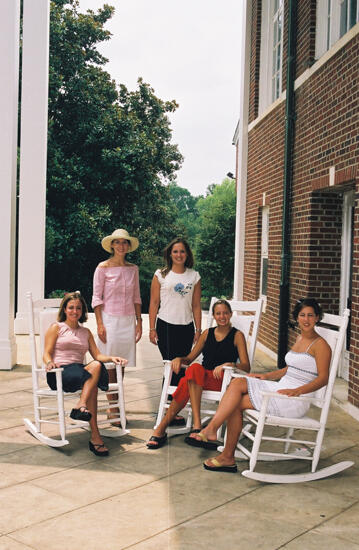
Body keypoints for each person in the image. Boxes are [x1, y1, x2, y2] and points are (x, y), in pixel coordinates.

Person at [187, 298, 332, 473]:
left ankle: (224, 451)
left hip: (294, 399)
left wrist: (298, 390)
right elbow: (289, 369)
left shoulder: (321, 345)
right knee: (238, 382)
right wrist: (266, 376)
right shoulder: (300, 339)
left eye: (310, 315)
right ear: (297, 318)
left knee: (235, 404)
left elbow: (323, 378)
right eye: (302, 315)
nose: (306, 319)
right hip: (280, 389)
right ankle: (214, 433)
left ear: (317, 318)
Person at [147, 299, 250, 449]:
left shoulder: (237, 335)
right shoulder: (207, 333)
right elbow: (189, 358)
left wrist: (230, 364)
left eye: (225, 313)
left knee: (187, 379)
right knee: (194, 369)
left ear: (230, 314)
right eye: (218, 313)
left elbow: (246, 366)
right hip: (201, 377)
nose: (222, 317)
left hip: (221, 378)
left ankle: (161, 429)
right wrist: (179, 358)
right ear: (214, 315)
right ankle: (197, 425)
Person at [44, 291, 128, 457]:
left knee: (95, 370)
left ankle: (86, 417)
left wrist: (112, 357)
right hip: (60, 372)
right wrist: (49, 363)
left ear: (82, 311)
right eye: (71, 308)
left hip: (79, 372)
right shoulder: (56, 328)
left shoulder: (86, 332)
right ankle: (93, 432)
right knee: (92, 381)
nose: (74, 311)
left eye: (78, 308)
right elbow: (46, 352)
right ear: (65, 309)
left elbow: (98, 356)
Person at [148, 237, 202, 426]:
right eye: (175, 251)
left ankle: (173, 410)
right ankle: (167, 409)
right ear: (169, 254)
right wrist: (152, 327)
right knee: (171, 367)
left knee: (182, 368)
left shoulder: (194, 276)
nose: (179, 255)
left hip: (186, 326)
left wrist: (198, 329)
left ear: (187, 254)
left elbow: (196, 305)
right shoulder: (161, 275)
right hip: (166, 325)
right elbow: (154, 302)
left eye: (182, 251)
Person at [92, 228, 142, 425]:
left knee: (121, 366)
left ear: (128, 246)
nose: (121, 246)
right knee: (110, 365)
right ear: (112, 245)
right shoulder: (102, 268)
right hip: (109, 320)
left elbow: (137, 297)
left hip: (128, 321)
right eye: (118, 242)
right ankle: (113, 408)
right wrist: (99, 323)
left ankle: (117, 405)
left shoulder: (133, 269)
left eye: (125, 242)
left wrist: (140, 322)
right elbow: (97, 297)